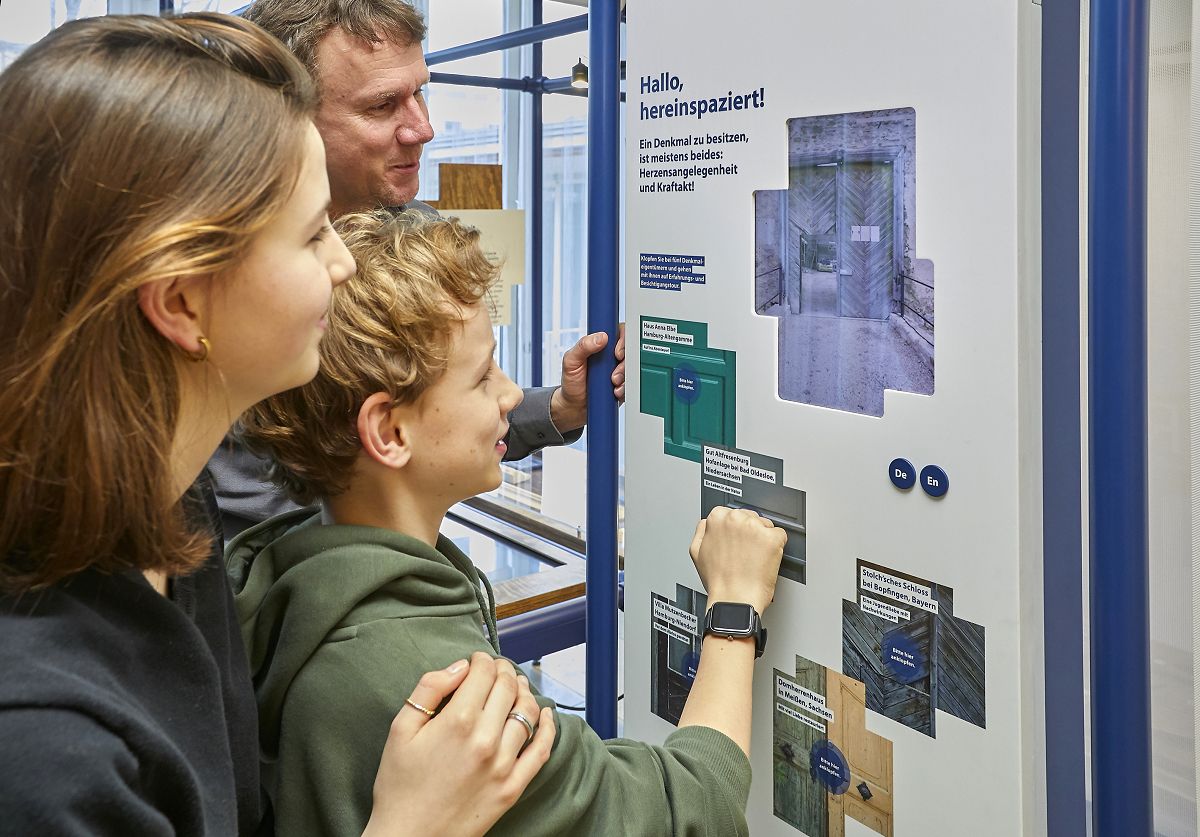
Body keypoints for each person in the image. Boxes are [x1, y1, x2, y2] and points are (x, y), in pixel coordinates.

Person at [0, 14, 552, 836]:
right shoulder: (49, 748)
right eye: (312, 232)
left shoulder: (175, 518)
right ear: (183, 301)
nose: (341, 263)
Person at [230, 210, 788, 836]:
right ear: (389, 431)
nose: (507, 393)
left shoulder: (286, 587)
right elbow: (693, 811)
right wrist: (735, 607)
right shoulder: (441, 689)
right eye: (482, 375)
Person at [208, 0, 624, 539]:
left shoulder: (418, 236)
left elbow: (434, 422)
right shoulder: (211, 271)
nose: (423, 129)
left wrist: (563, 409)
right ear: (285, 120)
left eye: (419, 91)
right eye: (383, 106)